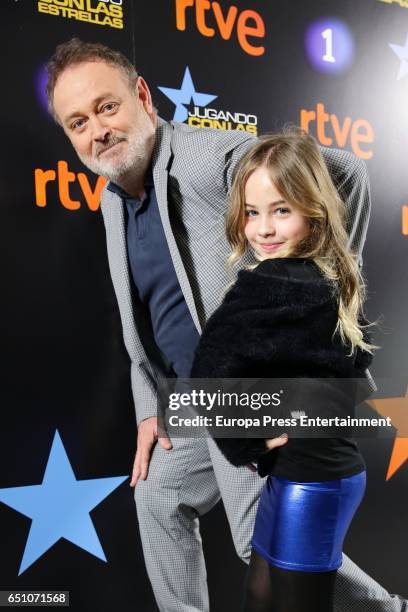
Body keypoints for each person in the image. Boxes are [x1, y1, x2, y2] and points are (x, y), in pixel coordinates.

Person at [46, 38, 406, 612]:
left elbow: (345, 173)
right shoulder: (113, 197)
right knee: (160, 496)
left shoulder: (201, 157)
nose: (97, 131)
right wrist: (149, 407)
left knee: (255, 540)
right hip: (190, 399)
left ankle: (385, 610)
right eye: (78, 122)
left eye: (107, 107)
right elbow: (143, 321)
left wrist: (323, 300)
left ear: (141, 95)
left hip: (242, 395)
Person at [191, 128, 376, 612]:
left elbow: (207, 373)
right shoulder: (329, 273)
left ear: (312, 214)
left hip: (314, 479)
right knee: (260, 595)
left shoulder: (271, 282)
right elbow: (350, 372)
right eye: (253, 212)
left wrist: (245, 441)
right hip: (306, 475)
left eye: (281, 211)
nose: (263, 229)